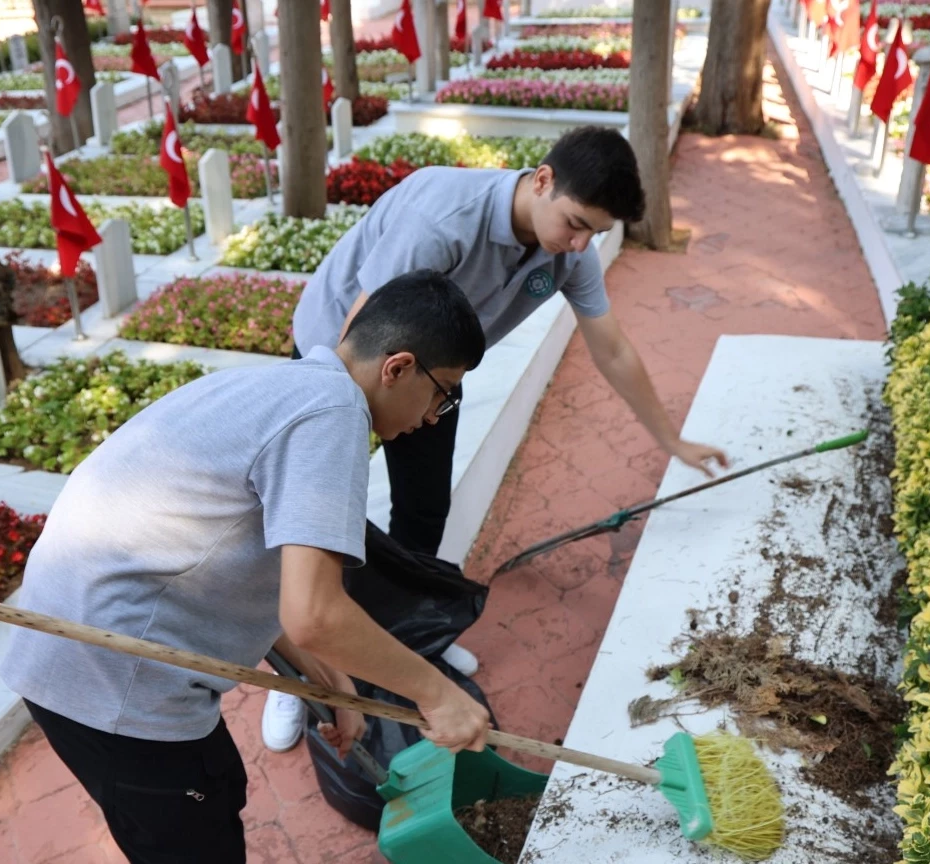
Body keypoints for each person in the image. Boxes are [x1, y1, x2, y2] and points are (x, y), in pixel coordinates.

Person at [0, 271, 492, 864]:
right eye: (444, 392)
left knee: (217, 786)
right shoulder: (333, 415)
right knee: (196, 832)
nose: (437, 416)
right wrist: (439, 695)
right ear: (398, 368)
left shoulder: (288, 388)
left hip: (79, 662)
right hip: (115, 683)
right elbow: (315, 613)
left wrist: (331, 683)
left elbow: (255, 584)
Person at [262, 125, 730, 750]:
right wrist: (344, 429)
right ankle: (297, 673)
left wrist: (672, 440)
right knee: (314, 524)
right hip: (343, 356)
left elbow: (611, 347)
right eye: (576, 222)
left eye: (595, 232)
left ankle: (411, 639)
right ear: (542, 180)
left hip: (432, 371)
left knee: (425, 505)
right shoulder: (442, 221)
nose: (580, 243)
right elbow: (364, 331)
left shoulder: (566, 252)